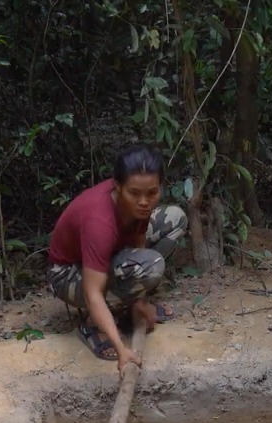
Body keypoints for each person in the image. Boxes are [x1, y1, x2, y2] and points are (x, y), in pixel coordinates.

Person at [47, 143, 187, 370]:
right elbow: (92, 293)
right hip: (68, 274)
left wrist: (139, 301)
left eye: (152, 192)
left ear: (159, 187)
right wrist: (122, 350)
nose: (144, 201)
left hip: (109, 254)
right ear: (118, 186)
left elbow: (138, 240)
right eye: (134, 193)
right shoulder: (99, 221)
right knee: (152, 265)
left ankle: (129, 304)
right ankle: (94, 325)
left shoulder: (139, 205)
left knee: (175, 218)